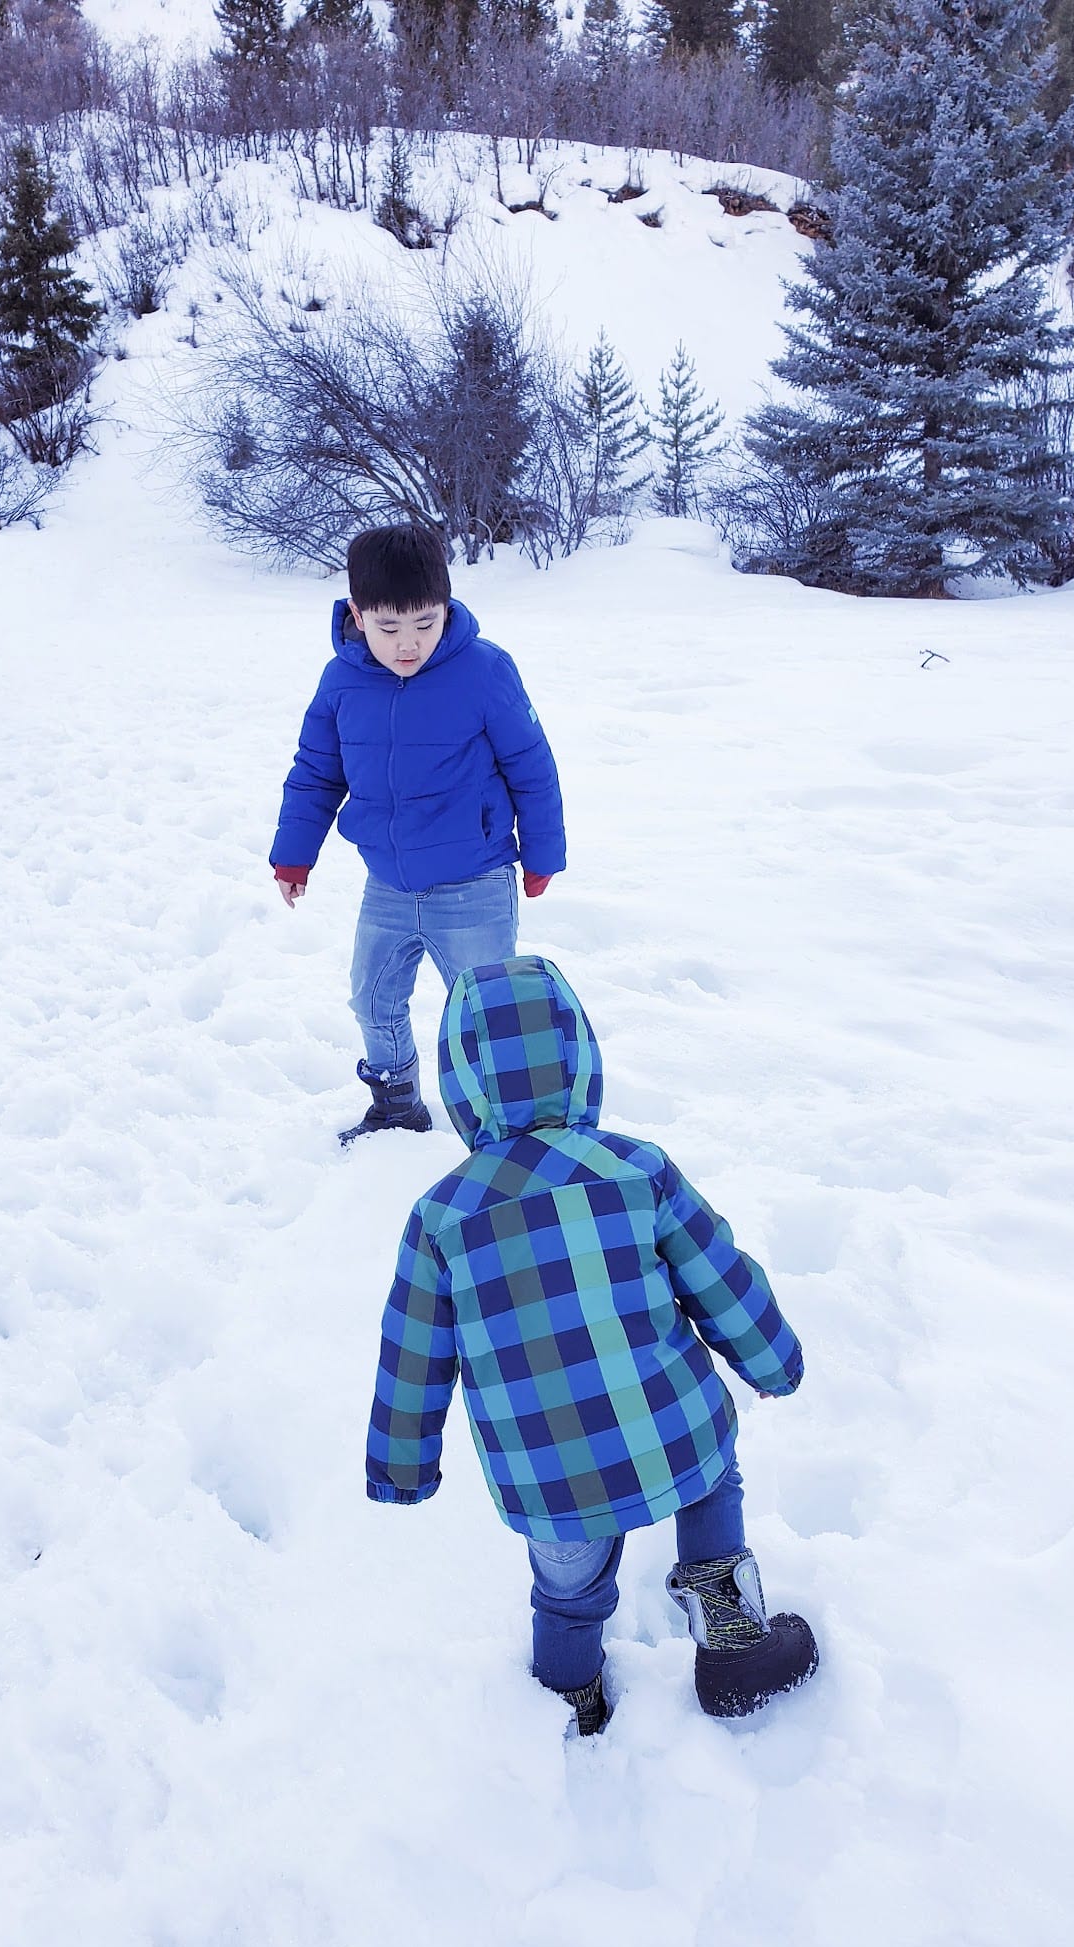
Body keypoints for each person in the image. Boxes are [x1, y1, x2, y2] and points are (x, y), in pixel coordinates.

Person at [365, 955, 819, 1737]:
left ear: (462, 1084)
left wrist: (402, 1468)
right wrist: (773, 1359)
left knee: (568, 1593)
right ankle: (733, 1645)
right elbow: (717, 1275)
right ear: (579, 1057)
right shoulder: (637, 1169)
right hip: (673, 1430)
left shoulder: (441, 1217)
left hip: (549, 1474)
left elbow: (412, 1356)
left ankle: (569, 1706)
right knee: (711, 1485)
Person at [270, 525, 566, 1145]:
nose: (408, 644)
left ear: (447, 607)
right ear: (357, 617)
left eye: (425, 624)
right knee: (372, 1001)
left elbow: (531, 765)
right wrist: (295, 855)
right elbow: (317, 771)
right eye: (388, 628)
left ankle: (511, 1131)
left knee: (491, 1014)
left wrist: (542, 852)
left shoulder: (484, 670)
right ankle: (397, 1103)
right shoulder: (341, 681)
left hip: (475, 883)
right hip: (388, 884)